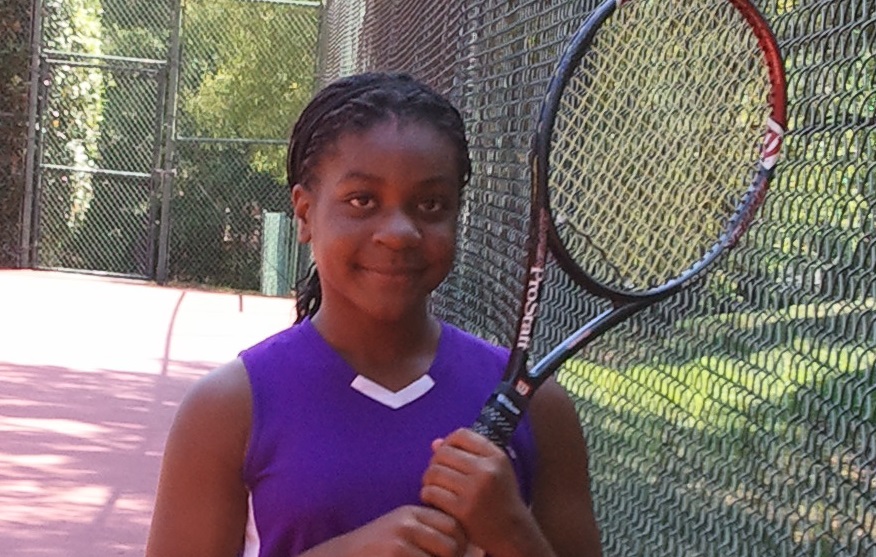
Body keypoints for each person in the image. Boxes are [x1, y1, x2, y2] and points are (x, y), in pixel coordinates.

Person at [146, 72, 602, 557]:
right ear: (303, 213)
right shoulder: (229, 407)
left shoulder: (539, 406)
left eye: (431, 204)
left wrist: (511, 531)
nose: (401, 231)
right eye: (362, 201)